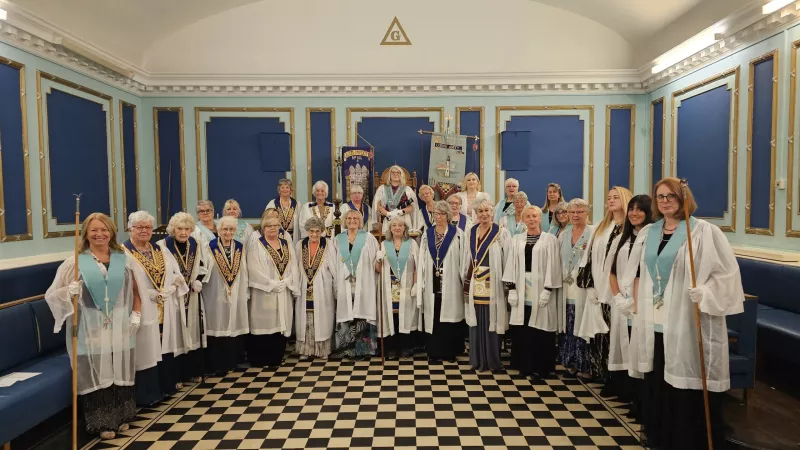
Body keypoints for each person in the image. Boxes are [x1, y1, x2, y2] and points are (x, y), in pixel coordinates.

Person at [620, 178, 743, 450]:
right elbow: (638, 271)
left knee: (683, 384)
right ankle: (661, 437)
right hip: (654, 321)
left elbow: (726, 274)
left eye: (671, 196)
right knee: (658, 380)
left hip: (685, 320)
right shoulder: (648, 233)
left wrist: (707, 292)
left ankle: (687, 440)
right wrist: (629, 297)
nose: (665, 201)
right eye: (660, 196)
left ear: (683, 198)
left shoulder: (703, 232)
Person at [45, 213, 140, 440]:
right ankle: (101, 422)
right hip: (90, 326)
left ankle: (121, 416)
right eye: (94, 230)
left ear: (112, 232)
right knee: (97, 371)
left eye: (104, 229)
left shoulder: (123, 258)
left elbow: (137, 291)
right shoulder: (76, 262)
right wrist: (68, 292)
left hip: (120, 324)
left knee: (118, 368)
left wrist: (136, 314)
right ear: (86, 234)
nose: (100, 234)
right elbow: (52, 296)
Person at [124, 211, 189, 406]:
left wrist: (172, 285)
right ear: (130, 229)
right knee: (146, 349)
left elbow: (174, 271)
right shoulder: (123, 252)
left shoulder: (160, 250)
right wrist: (148, 294)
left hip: (164, 305)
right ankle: (147, 394)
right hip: (141, 307)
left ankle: (165, 387)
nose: (144, 231)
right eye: (139, 227)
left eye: (148, 227)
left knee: (163, 345)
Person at [580, 186, 632, 387]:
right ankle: (602, 374)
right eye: (609, 197)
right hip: (600, 288)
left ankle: (618, 380)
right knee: (601, 335)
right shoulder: (602, 227)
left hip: (621, 291)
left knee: (618, 336)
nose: (611, 200)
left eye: (615, 197)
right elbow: (590, 257)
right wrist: (590, 285)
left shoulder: (629, 227)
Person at [503, 205, 562, 379]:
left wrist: (548, 289)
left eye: (534, 216)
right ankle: (525, 366)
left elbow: (554, 266)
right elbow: (510, 264)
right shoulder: (516, 239)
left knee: (541, 330)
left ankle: (542, 367)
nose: (531, 219)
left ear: (540, 218)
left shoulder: (549, 240)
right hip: (522, 289)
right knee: (524, 329)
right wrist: (511, 288)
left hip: (542, 289)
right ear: (522, 219)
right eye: (527, 216)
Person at [606, 195, 653, 413]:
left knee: (639, 349)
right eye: (631, 209)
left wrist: (634, 303)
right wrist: (617, 297)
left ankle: (641, 399)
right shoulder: (622, 239)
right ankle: (624, 391)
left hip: (643, 302)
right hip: (622, 301)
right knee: (622, 345)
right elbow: (612, 270)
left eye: (639, 209)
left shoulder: (652, 237)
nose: (634, 213)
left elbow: (643, 274)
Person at [156, 212, 210, 384]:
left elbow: (203, 265)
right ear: (173, 229)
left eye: (187, 229)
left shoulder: (194, 243)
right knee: (175, 335)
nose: (183, 232)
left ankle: (191, 372)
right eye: (180, 228)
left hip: (191, 296)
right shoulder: (162, 245)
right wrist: (172, 282)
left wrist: (199, 281)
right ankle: (175, 377)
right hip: (173, 296)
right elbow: (158, 271)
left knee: (192, 333)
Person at [462, 199, 510, 372]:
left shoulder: (501, 233)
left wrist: (507, 283)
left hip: (493, 283)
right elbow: (466, 257)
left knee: (492, 320)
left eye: (486, 211)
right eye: (480, 211)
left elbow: (507, 260)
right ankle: (477, 360)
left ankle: (492, 361)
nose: (483, 214)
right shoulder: (471, 231)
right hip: (475, 282)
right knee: (476, 321)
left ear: (492, 212)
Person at [417, 200, 466, 362]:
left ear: (448, 215)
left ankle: (449, 352)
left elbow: (464, 258)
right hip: (432, 280)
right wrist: (421, 280)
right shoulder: (427, 234)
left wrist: (463, 280)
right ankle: (434, 352)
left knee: (449, 317)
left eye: (442, 214)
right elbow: (422, 257)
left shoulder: (457, 234)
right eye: (436, 214)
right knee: (434, 315)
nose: (438, 217)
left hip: (451, 281)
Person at [203, 215, 250, 376]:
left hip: (236, 291)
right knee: (217, 325)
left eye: (231, 229)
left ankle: (233, 361)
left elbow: (244, 270)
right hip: (215, 291)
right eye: (224, 229)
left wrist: (245, 292)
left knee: (234, 324)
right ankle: (217, 363)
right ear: (218, 230)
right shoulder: (209, 246)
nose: (228, 232)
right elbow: (204, 269)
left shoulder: (240, 246)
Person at [247, 215, 297, 367]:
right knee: (266, 324)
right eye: (269, 226)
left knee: (281, 323)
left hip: (283, 290)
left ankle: (277, 357)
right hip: (265, 292)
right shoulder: (257, 245)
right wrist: (271, 283)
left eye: (276, 225)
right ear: (263, 228)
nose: (273, 228)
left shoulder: (286, 243)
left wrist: (287, 281)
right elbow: (253, 268)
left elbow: (293, 264)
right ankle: (261, 359)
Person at [332, 210, 380, 360]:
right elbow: (333, 263)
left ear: (360, 221)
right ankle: (346, 349)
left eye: (356, 218)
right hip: (344, 282)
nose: (352, 220)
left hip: (364, 283)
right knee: (347, 315)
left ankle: (363, 350)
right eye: (349, 218)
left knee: (362, 317)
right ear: (345, 221)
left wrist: (379, 260)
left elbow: (375, 261)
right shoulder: (337, 239)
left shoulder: (368, 238)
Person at [557, 199, 594, 378]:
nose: (575, 215)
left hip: (584, 288)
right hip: (566, 286)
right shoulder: (564, 234)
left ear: (587, 213)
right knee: (568, 327)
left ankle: (585, 365)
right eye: (572, 212)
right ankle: (570, 363)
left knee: (583, 325)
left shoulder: (594, 233)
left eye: (580, 212)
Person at [375, 216, 420, 359]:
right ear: (390, 228)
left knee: (406, 317)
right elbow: (377, 269)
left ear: (405, 228)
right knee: (391, 317)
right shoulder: (384, 244)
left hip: (406, 287)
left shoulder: (412, 243)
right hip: (389, 288)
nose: (397, 228)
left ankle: (405, 347)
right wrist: (378, 259)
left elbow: (417, 267)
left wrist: (415, 284)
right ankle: (391, 348)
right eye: (394, 225)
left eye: (400, 225)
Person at [295, 217, 337, 359]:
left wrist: (334, 285)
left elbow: (334, 266)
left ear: (322, 231)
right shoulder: (300, 244)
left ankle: (322, 350)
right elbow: (295, 266)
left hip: (322, 285)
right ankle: (306, 350)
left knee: (323, 318)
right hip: (304, 285)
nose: (314, 234)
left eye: (317, 231)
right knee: (305, 318)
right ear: (307, 231)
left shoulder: (328, 244)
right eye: (311, 231)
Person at [372, 165, 417, 235]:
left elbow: (412, 208)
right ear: (389, 175)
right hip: (388, 220)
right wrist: (388, 214)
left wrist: (399, 212)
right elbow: (377, 206)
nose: (395, 174)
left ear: (401, 175)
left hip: (404, 220)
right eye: (393, 172)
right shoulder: (382, 189)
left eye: (398, 172)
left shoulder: (407, 189)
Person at [264, 178, 300, 243]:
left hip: (293, 237)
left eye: (287, 187)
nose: (285, 190)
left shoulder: (297, 204)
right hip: (276, 235)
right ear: (279, 190)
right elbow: (266, 221)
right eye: (282, 187)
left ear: (291, 190)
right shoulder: (272, 204)